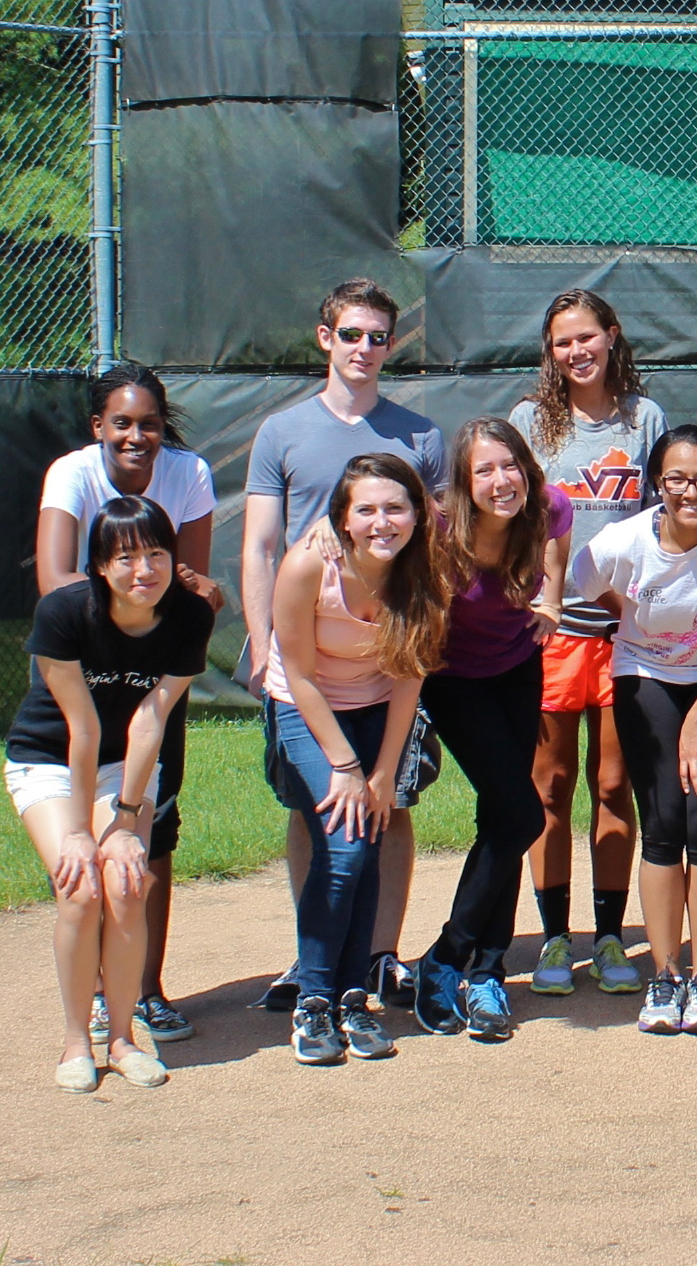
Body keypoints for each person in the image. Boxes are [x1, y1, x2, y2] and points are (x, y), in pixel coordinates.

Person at [241, 278, 446, 1010]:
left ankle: (381, 953)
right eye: (351, 334)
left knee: (388, 804)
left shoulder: (419, 436)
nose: (364, 348)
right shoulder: (283, 431)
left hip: (383, 658)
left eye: (378, 336)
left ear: (393, 345)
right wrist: (264, 642)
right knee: (317, 806)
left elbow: (431, 552)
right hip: (306, 655)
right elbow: (262, 542)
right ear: (325, 337)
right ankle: (314, 961)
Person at [572, 426, 697, 1036]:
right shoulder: (626, 539)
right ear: (657, 484)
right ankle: (665, 977)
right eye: (677, 478)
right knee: (662, 827)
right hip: (645, 677)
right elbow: (584, 580)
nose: (692, 491)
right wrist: (636, 621)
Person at [35, 363, 220, 1044]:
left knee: (151, 829)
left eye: (148, 423)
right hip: (85, 674)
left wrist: (164, 601)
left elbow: (189, 584)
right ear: (99, 427)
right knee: (83, 839)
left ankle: (144, 989)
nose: (136, 435)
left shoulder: (189, 472)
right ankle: (88, 1001)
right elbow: (57, 586)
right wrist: (138, 606)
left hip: (154, 679)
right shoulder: (72, 474)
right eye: (122, 422)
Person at [5, 496, 215, 1091]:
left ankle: (122, 1039)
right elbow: (84, 728)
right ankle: (77, 1042)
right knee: (80, 888)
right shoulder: (65, 612)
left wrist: (124, 823)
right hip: (49, 761)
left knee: (126, 884)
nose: (143, 570)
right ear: (99, 565)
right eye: (125, 558)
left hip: (125, 761)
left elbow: (149, 721)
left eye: (156, 554)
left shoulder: (189, 616)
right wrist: (78, 831)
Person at [265, 454, 449, 1066]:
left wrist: (381, 776)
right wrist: (346, 769)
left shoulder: (425, 576)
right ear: (342, 519)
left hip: (376, 707)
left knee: (369, 836)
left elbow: (408, 679)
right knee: (343, 847)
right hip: (306, 706)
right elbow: (298, 674)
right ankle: (313, 1003)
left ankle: (352, 997)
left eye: (395, 507)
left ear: (418, 515)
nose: (381, 521)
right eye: (365, 509)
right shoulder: (306, 567)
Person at [510, 288, 664, 999]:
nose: (575, 352)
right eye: (560, 341)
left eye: (585, 337)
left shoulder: (645, 418)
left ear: (611, 334)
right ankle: (551, 937)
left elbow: (659, 520)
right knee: (549, 785)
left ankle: (607, 936)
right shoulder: (527, 423)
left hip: (622, 629)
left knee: (612, 783)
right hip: (550, 629)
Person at [410, 417, 575, 1040]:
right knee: (523, 815)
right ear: (464, 480)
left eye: (510, 466)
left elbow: (558, 542)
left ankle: (485, 970)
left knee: (501, 818)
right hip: (451, 676)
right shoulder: (438, 525)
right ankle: (447, 958)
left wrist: (552, 600)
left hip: (516, 665)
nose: (501, 481)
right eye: (485, 470)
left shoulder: (548, 504)